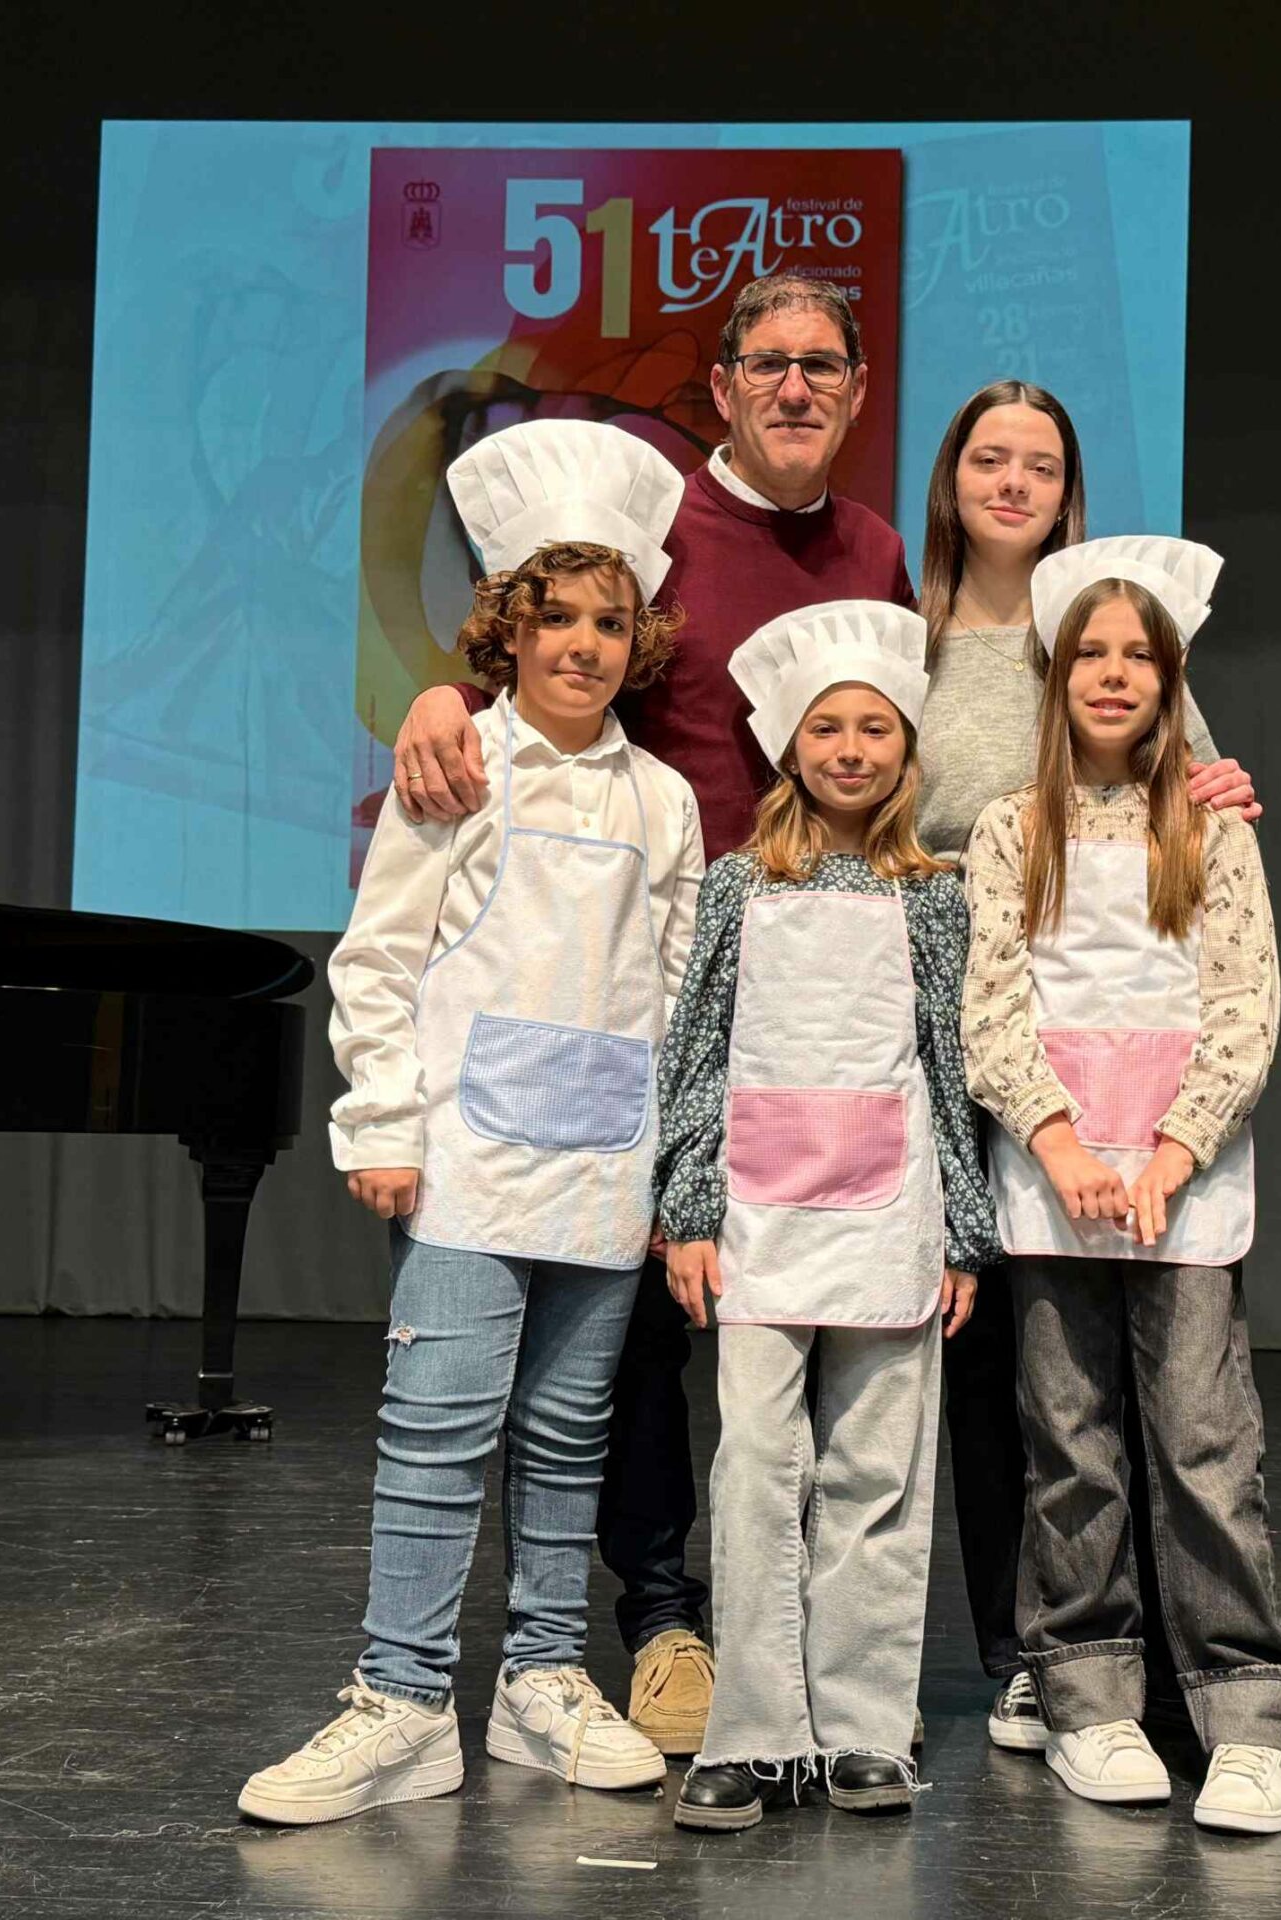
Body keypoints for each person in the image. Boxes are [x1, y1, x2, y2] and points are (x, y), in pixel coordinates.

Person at [386, 274, 919, 1755]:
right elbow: (549, 638)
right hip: (657, 976)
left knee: (797, 1312)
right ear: (725, 386)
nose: (796, 387)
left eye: (824, 365)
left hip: (824, 988)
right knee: (634, 1330)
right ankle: (663, 1615)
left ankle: (792, 1628)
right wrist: (441, 698)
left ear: (856, 390)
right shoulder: (661, 522)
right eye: (769, 363)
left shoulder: (878, 552)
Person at [237, 421, 705, 1824]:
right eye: (557, 618)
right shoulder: (456, 771)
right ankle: (401, 1700)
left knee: (566, 1437)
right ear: (507, 628)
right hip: (467, 1161)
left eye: (609, 621)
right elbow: (380, 957)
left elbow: (680, 994)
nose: (583, 645)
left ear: (638, 638)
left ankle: (543, 1679)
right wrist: (382, 1122)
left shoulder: (666, 800)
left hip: (606, 1167)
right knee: (437, 1432)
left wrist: (676, 1172)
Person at [907, 379, 1261, 1753]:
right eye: (988, 458)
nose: (1012, 482)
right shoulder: (908, 637)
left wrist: (1226, 789)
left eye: (1039, 464)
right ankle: (1031, 1651)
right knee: (999, 1353)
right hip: (946, 1001)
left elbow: (1195, 792)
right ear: (951, 478)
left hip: (1106, 1018)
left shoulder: (1112, 626)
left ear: (1068, 491)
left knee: (1140, 1372)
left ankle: (1150, 1655)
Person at [961, 537, 1281, 1835]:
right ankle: (1088, 1697)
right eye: (1091, 656)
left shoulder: (1210, 833)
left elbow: (1243, 1009)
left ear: (1170, 682)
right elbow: (992, 1006)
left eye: (1139, 658)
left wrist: (1170, 1152)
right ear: (1055, 679)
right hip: (1054, 1184)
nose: (1114, 676)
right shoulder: (1012, 829)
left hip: (1184, 1187)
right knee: (1071, 1451)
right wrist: (1061, 1146)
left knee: (1205, 1450)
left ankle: (1247, 1712)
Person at [653, 601, 999, 1832]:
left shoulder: (937, 896)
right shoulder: (738, 885)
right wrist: (689, 1205)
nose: (851, 750)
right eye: (827, 728)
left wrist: (963, 1230)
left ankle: (861, 1727)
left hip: (891, 1215)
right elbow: (697, 1053)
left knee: (876, 1475)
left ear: (907, 751)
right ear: (789, 747)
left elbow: (951, 1070)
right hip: (758, 1216)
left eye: (875, 729)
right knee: (756, 1465)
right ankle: (753, 1733)